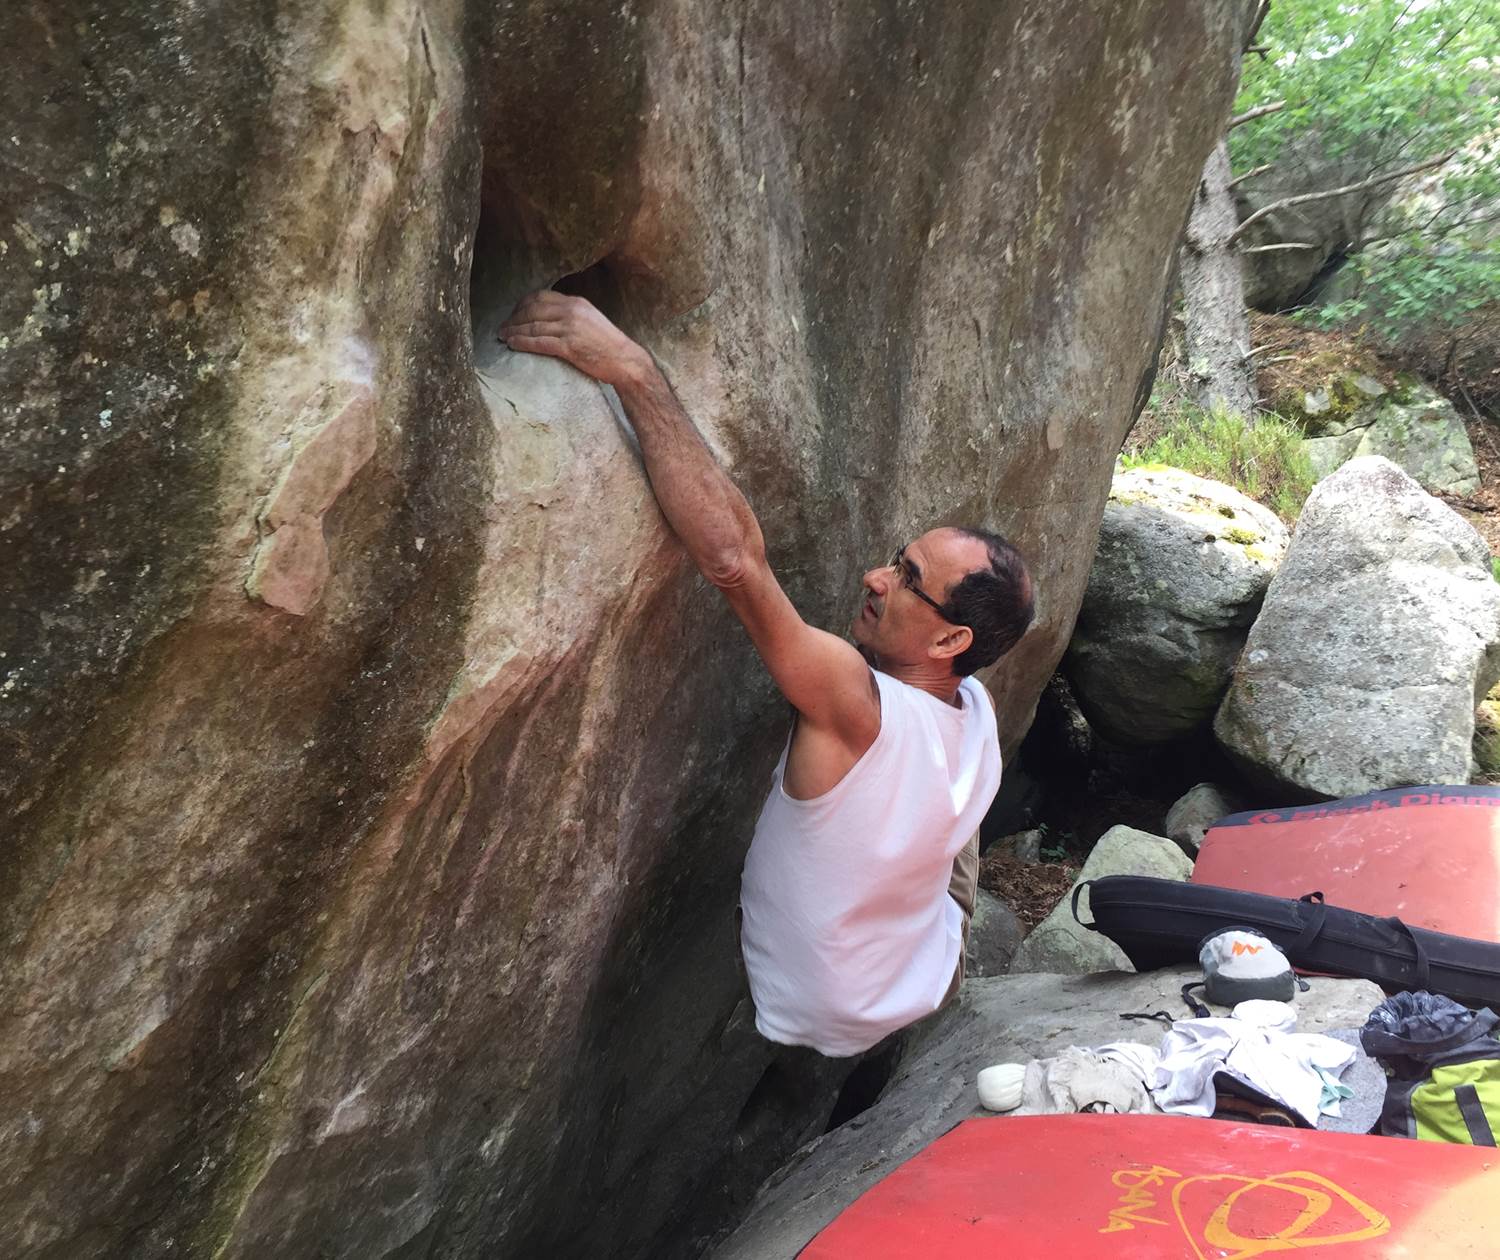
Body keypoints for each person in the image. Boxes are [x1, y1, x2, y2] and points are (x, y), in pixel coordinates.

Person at [499, 291, 1035, 1057]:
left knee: (934, 814)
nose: (874, 578)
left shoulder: (854, 701)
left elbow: (732, 560)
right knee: (957, 810)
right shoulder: (972, 698)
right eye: (894, 555)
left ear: (951, 636)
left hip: (817, 1003)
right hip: (918, 973)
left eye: (905, 577)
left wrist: (635, 374)